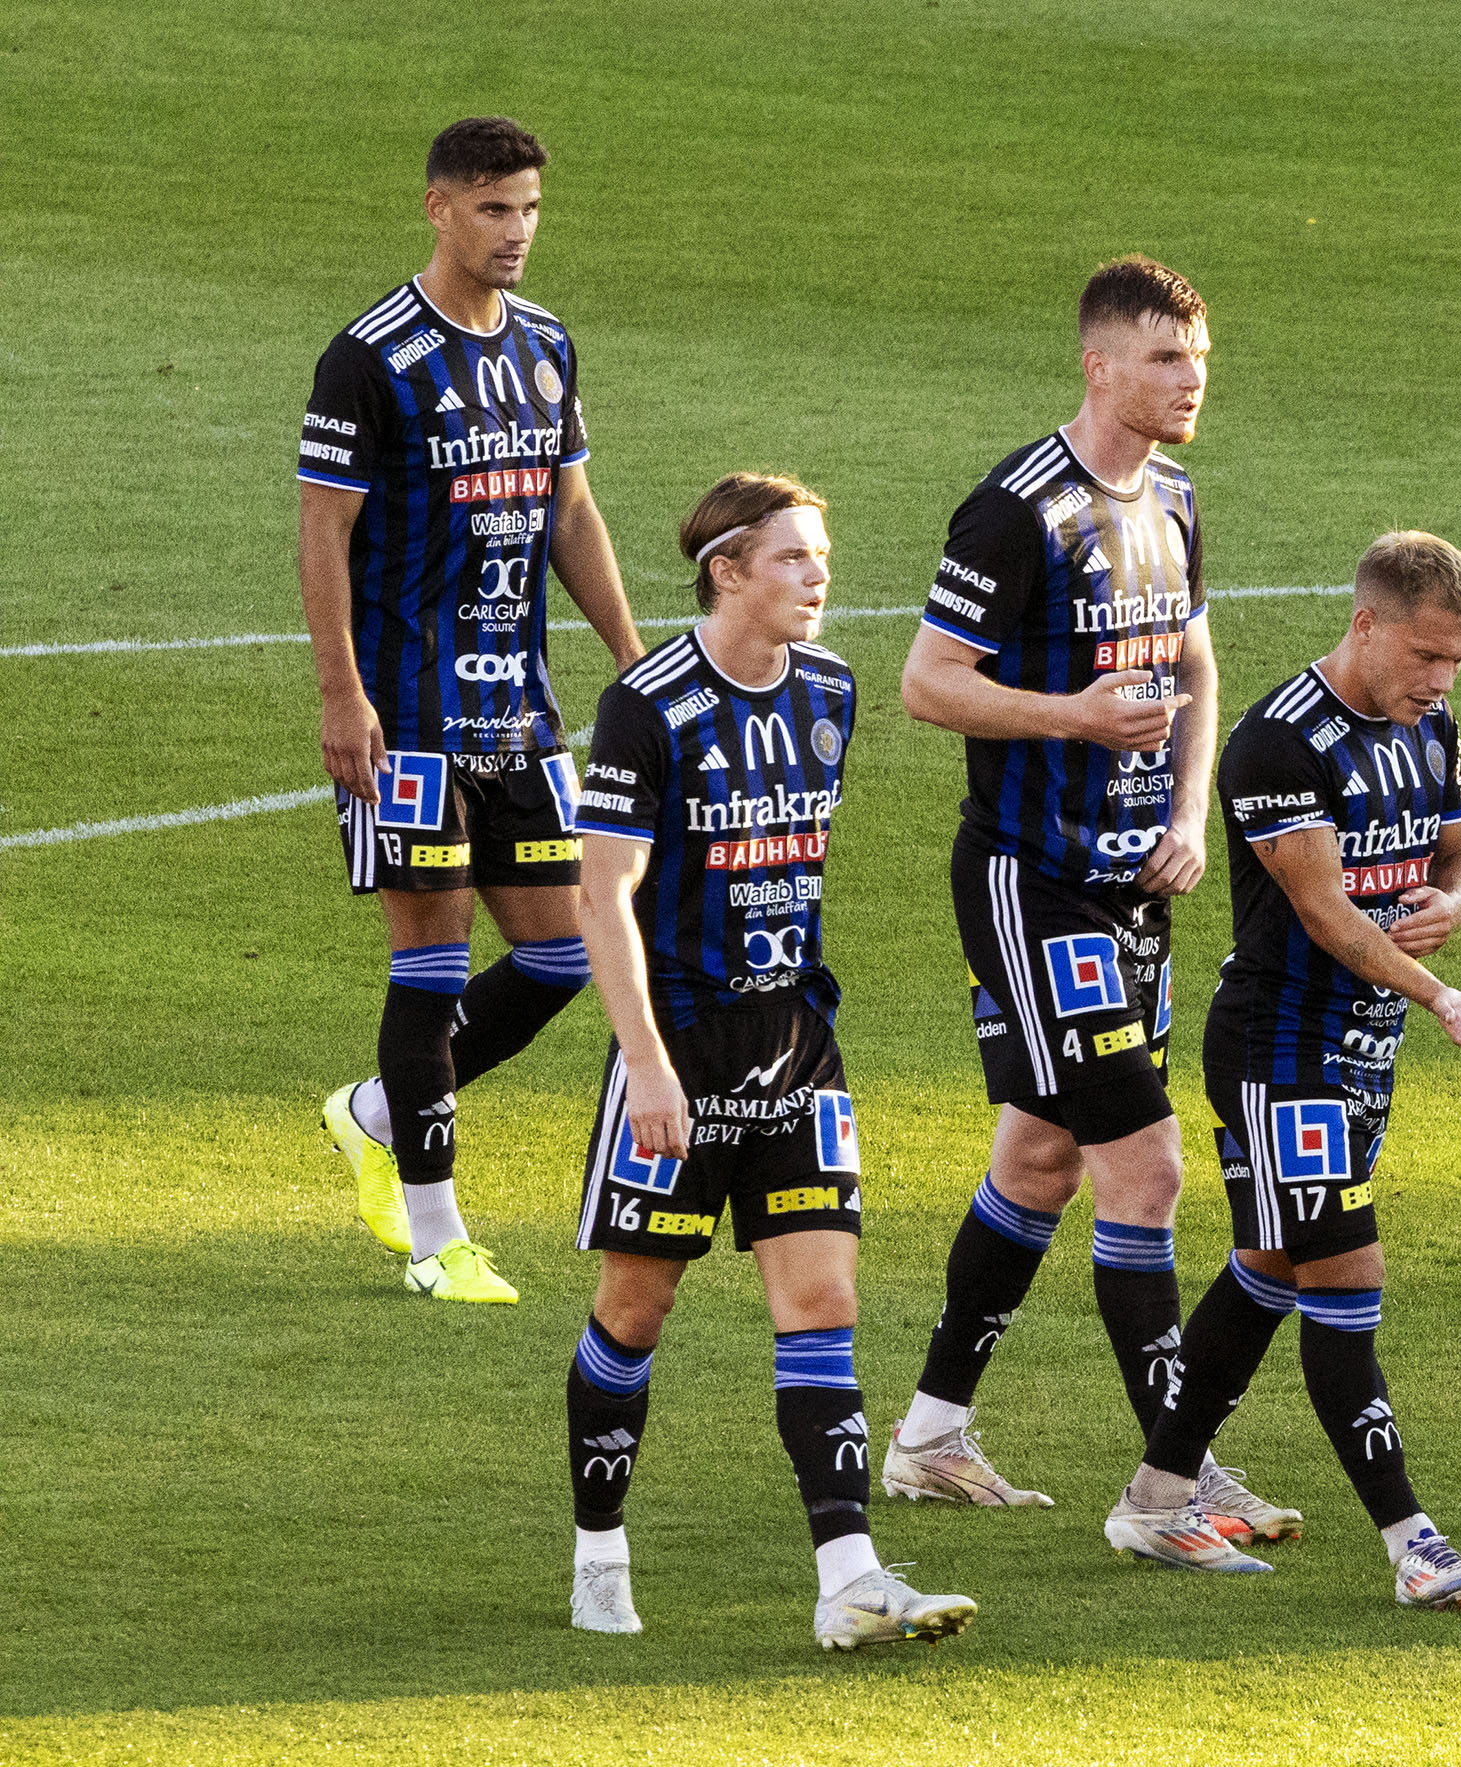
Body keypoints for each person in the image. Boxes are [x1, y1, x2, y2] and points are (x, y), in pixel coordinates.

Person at [561, 474, 977, 1649]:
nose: (818, 576)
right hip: (680, 1053)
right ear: (727, 571)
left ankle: (847, 1578)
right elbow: (604, 897)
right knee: (636, 1309)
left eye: (822, 555)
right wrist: (644, 1064)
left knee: (823, 1299)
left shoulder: (832, 693)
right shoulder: (646, 705)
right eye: (793, 558)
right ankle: (600, 1547)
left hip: (797, 1047)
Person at [873, 256, 1250, 1521]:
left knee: (1039, 1157)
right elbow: (928, 682)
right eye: (1163, 360)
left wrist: (1191, 808)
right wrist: (1073, 721)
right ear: (1099, 366)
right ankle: (1176, 1469)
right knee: (1142, 1167)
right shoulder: (1016, 510)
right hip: (1033, 888)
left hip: (1134, 890)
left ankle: (928, 1439)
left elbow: (1195, 664)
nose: (1189, 381)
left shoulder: (1176, 497)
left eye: (1198, 360)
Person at [1101, 532, 1461, 1609]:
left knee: (1273, 1266)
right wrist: (1442, 996)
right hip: (1282, 1051)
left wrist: (1453, 907)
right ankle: (1411, 1541)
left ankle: (1154, 1498)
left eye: (1457, 663)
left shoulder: (1431, 728)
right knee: (1345, 1275)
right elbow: (1324, 912)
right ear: (1367, 624)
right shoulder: (1280, 742)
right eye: (1426, 656)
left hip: (1361, 1054)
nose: (1440, 680)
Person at [306, 115, 643, 1304]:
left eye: (533, 208)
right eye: (496, 208)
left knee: (559, 956)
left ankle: (375, 1112)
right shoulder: (373, 356)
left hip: (522, 715)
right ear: (440, 208)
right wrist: (343, 695)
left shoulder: (546, 347)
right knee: (433, 965)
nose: (518, 232)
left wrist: (634, 659)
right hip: (407, 718)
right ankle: (438, 1235)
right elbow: (323, 531)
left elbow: (569, 515)